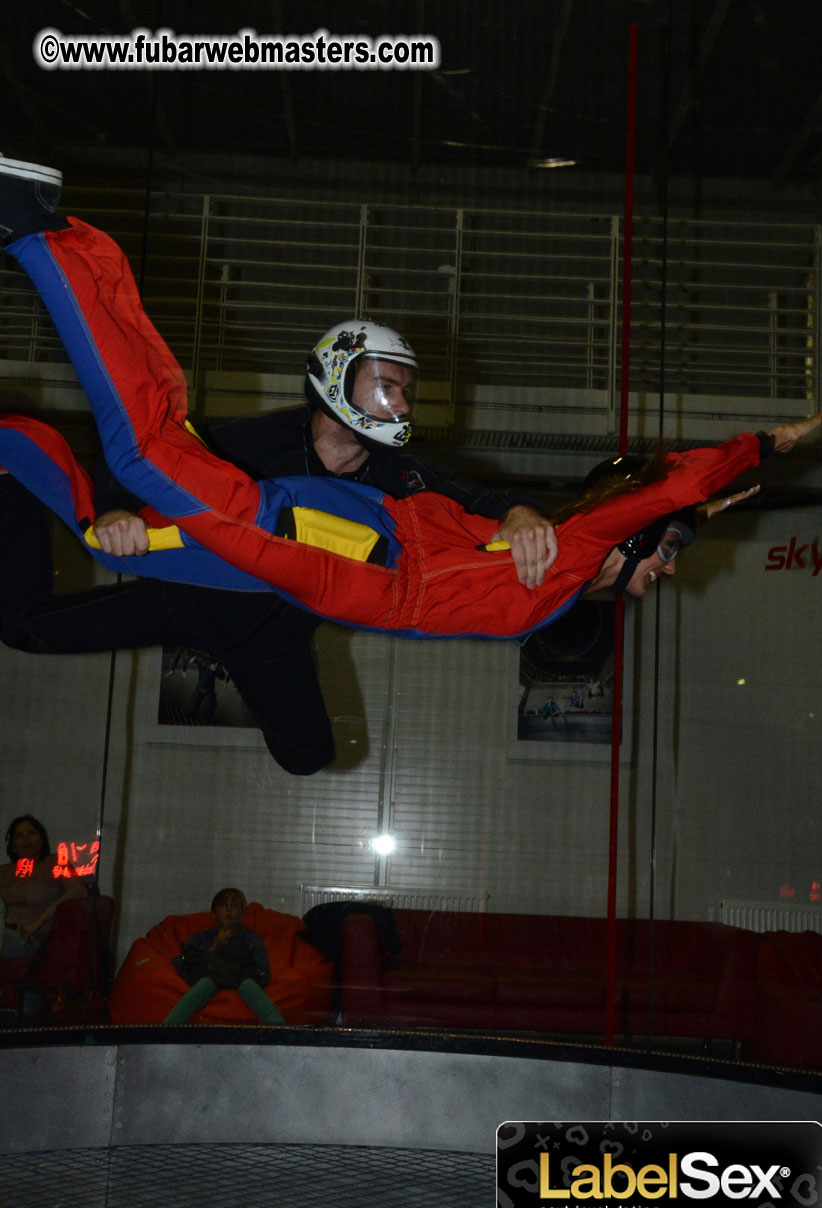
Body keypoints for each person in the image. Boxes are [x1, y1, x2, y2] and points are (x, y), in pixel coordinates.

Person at [0, 157, 822, 639]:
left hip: (349, 557)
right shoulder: (577, 552)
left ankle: (15, 425)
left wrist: (692, 513)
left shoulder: (562, 567)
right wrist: (761, 447)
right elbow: (669, 489)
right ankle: (42, 236)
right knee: (148, 450)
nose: (660, 577)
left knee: (119, 542)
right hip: (359, 555)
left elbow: (649, 507)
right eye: (663, 559)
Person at [0, 155, 556, 776]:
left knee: (308, 756)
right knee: (21, 629)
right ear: (334, 382)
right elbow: (153, 462)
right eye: (385, 387)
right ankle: (10, 473)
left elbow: (477, 497)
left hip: (274, 635)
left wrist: (525, 515)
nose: (399, 404)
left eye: (404, 390)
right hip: (185, 596)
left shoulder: (402, 473)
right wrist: (113, 509)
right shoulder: (253, 440)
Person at [165, 887, 284, 1025]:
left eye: (234, 906)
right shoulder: (202, 938)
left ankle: (282, 1032)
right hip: (210, 980)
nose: (228, 910)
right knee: (205, 983)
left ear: (242, 914)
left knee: (248, 985)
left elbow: (263, 972)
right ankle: (166, 1030)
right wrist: (215, 945)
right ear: (214, 913)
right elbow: (184, 964)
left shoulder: (250, 938)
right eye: (223, 905)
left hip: (243, 980)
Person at [0, 814, 85, 959]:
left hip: (31, 938)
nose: (26, 838)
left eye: (31, 833)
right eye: (19, 835)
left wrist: (40, 920)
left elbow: (79, 890)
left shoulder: (54, 862)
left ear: (41, 841)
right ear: (13, 846)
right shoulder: (4, 871)